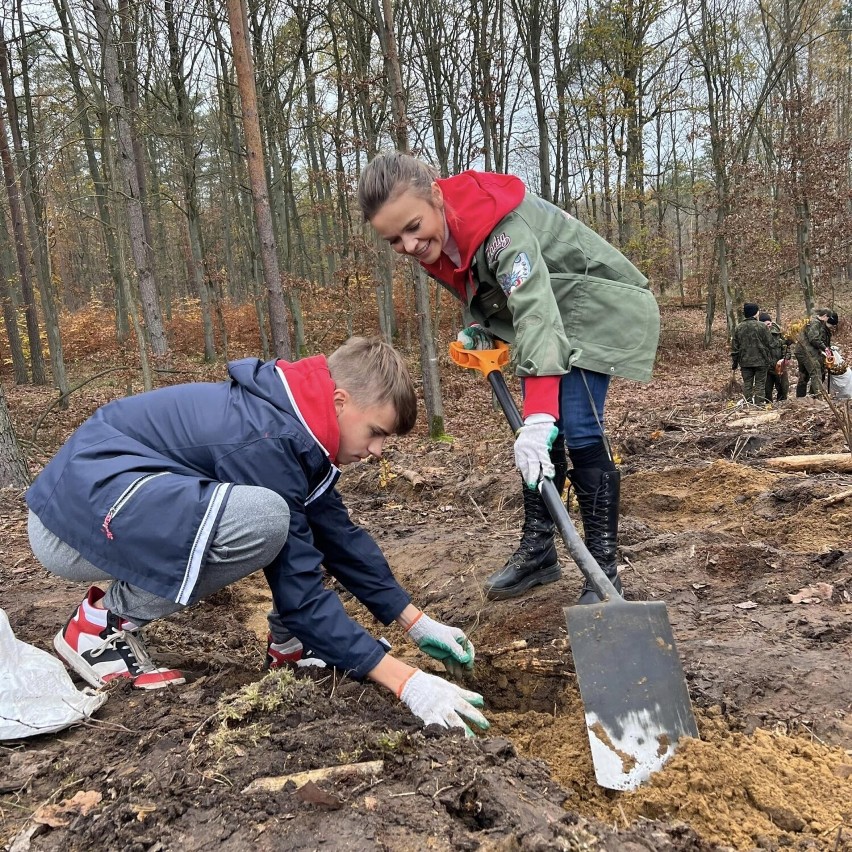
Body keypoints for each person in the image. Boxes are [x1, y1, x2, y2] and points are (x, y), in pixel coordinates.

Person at [25, 337, 488, 736]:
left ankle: (291, 645)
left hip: (108, 506)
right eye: (375, 433)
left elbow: (338, 537)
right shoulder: (267, 438)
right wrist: (407, 683)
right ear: (341, 402)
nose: (376, 451)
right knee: (264, 521)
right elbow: (299, 588)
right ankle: (99, 625)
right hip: (72, 523)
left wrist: (416, 622)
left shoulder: (299, 428)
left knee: (283, 522)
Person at [356, 153, 660, 604]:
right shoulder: (438, 234)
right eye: (393, 240)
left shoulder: (502, 233)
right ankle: (541, 552)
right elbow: (493, 290)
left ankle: (603, 569)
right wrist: (484, 325)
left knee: (573, 426)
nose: (409, 245)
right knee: (544, 433)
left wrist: (538, 415)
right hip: (550, 313)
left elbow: (535, 309)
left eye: (413, 228)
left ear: (436, 197)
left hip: (596, 309)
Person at [730, 302, 774, 404]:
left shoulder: (738, 327)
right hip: (761, 361)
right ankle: (758, 406)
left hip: (745, 361)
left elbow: (735, 348)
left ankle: (748, 405)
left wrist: (735, 363)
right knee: (760, 385)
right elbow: (770, 343)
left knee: (747, 384)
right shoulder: (762, 327)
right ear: (756, 313)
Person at [795, 308, 838, 397]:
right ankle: (818, 398)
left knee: (804, 375)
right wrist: (825, 348)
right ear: (825, 316)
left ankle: (801, 398)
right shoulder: (816, 323)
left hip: (802, 350)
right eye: (828, 317)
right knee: (816, 372)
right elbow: (814, 339)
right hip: (807, 351)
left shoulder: (812, 321)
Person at [759, 311, 790, 403]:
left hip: (779, 365)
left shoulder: (779, 331)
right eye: (765, 325)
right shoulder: (758, 333)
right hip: (766, 366)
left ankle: (782, 404)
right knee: (767, 391)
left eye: (769, 324)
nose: (767, 326)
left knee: (783, 387)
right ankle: (769, 406)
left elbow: (786, 347)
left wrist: (785, 359)